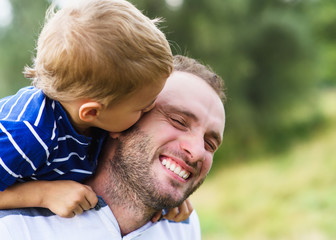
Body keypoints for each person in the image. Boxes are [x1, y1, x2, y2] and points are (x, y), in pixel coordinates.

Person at [0, 0, 193, 221]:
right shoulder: (28, 134)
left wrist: (164, 187)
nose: (151, 107)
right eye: (142, 106)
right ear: (91, 112)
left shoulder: (99, 116)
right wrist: (43, 195)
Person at [0, 55, 226, 239]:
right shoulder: (14, 225)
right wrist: (40, 194)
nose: (196, 152)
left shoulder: (182, 227)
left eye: (210, 143)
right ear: (121, 120)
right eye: (178, 121)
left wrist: (168, 183)